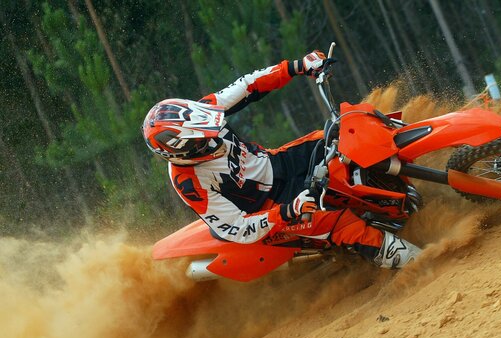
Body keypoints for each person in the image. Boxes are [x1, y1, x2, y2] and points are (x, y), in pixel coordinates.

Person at [142, 50, 420, 269]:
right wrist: (288, 211)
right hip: (272, 209)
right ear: (181, 153)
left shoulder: (206, 109)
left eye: (209, 129)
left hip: (278, 163)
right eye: (202, 141)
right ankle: (421, 263)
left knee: (345, 134)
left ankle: (406, 184)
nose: (213, 138)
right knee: (339, 222)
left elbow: (249, 85)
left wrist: (298, 66)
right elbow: (237, 228)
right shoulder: (188, 182)